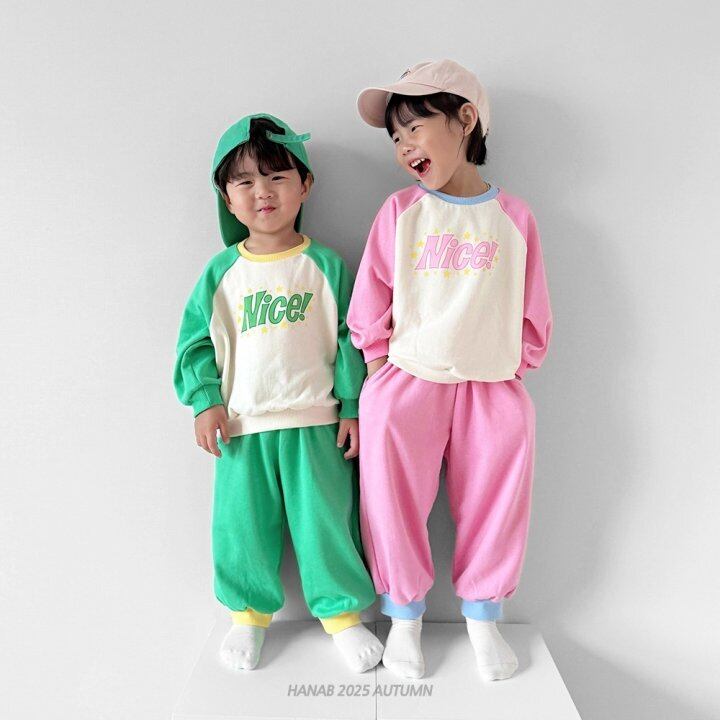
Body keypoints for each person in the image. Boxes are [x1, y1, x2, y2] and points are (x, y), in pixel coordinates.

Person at [348, 60, 553, 681]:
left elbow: (534, 306)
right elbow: (372, 294)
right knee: (391, 497)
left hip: (491, 385)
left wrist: (514, 364)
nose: (404, 146)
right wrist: (378, 366)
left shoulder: (514, 217)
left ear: (464, 119)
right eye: (395, 138)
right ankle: (403, 617)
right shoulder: (401, 210)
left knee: (498, 497)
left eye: (415, 128)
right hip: (407, 376)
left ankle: (483, 618)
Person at [174, 113, 383, 672]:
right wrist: (205, 401)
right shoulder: (220, 273)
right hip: (243, 427)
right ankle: (247, 616)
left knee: (326, 524)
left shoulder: (327, 266)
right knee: (241, 527)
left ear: (305, 185)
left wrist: (353, 406)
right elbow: (195, 343)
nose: (262, 192)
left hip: (317, 424)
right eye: (244, 182)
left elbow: (351, 340)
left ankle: (342, 616)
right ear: (227, 197)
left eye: (277, 177)